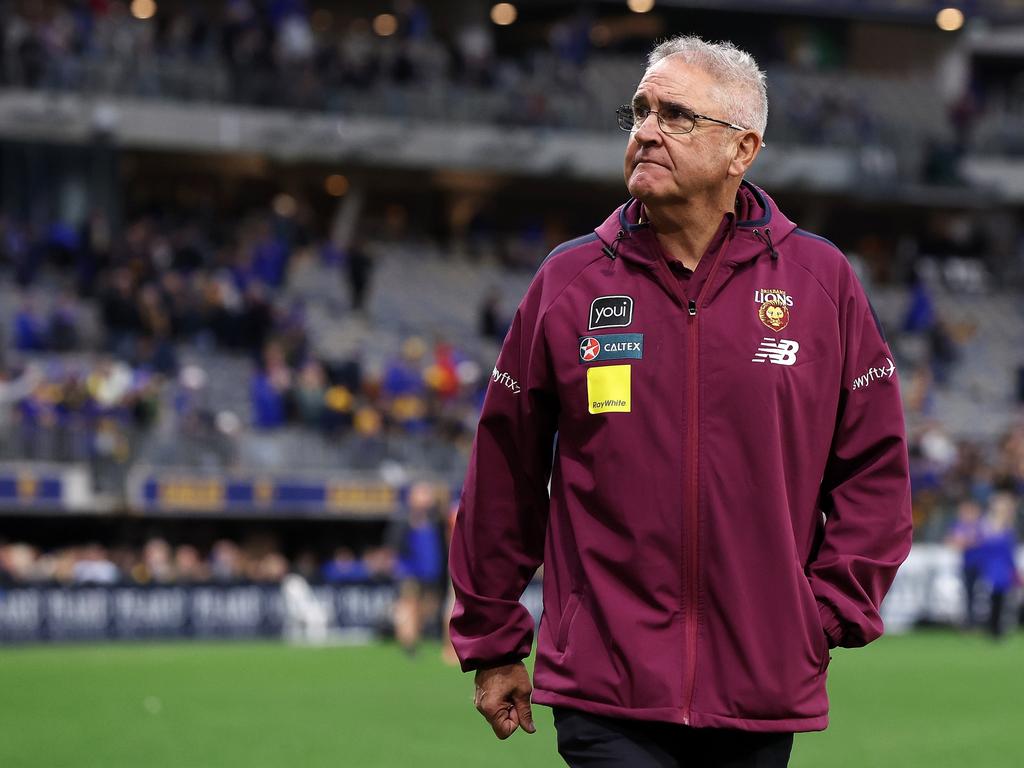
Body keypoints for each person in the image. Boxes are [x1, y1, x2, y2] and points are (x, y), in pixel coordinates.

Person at [448, 35, 913, 768]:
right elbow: (504, 473)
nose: (645, 131)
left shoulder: (822, 282)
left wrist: (821, 615)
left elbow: (876, 471)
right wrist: (495, 639)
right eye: (639, 111)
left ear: (743, 150)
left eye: (677, 115)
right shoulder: (568, 282)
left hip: (761, 685)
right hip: (605, 687)